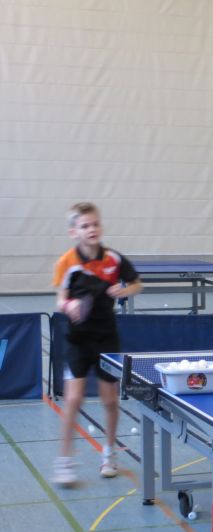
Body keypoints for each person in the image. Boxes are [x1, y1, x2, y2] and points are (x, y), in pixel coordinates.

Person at [52, 202, 143, 486]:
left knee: (110, 400)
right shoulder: (67, 262)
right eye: (85, 226)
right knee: (73, 399)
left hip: (106, 338)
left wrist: (123, 290)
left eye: (95, 224)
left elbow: (137, 284)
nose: (91, 229)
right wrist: (69, 306)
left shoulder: (113, 259)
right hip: (77, 339)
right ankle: (65, 461)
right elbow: (60, 298)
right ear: (74, 232)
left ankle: (109, 453)